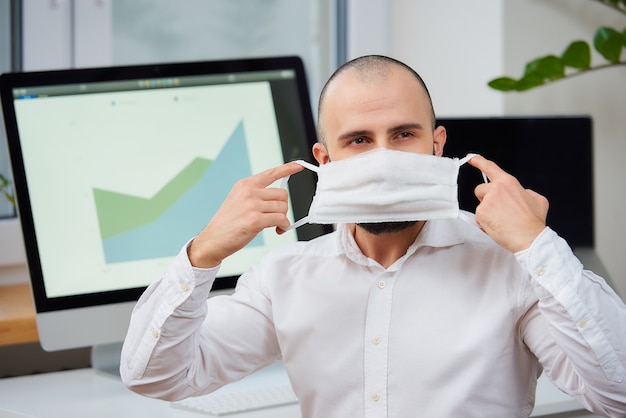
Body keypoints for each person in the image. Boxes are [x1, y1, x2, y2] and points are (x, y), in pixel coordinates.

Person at [120, 55, 626, 417]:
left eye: (403, 134)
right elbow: (154, 376)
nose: (384, 158)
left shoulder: (509, 269)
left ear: (437, 143)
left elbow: (617, 396)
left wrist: (537, 244)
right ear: (324, 159)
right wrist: (204, 252)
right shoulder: (284, 277)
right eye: (359, 140)